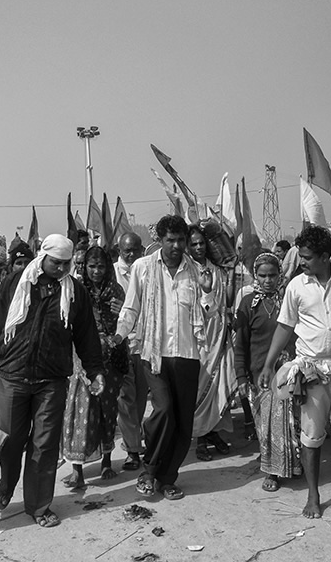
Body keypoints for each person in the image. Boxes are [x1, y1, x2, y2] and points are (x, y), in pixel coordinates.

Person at [0, 234, 104, 528]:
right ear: (43, 257)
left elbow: (86, 336)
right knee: (9, 440)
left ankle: (39, 505)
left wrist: (95, 371)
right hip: (12, 376)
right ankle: (6, 485)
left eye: (66, 264)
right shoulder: (16, 283)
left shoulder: (75, 293)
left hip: (52, 380)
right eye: (55, 263)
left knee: (44, 446)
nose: (60, 268)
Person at [259, 225, 331, 520]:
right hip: (311, 372)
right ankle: (314, 496)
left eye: (308, 257)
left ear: (326, 257)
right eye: (301, 256)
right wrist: (267, 364)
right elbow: (285, 326)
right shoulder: (297, 286)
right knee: (311, 436)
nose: (302, 262)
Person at [113, 215, 215, 501]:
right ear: (159, 240)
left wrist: (207, 293)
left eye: (181, 240)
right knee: (164, 410)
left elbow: (208, 313)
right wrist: (120, 336)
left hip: (187, 356)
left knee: (183, 423)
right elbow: (130, 308)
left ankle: (168, 477)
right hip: (153, 354)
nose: (176, 245)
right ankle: (149, 470)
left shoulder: (197, 272)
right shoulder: (143, 268)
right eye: (170, 240)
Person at [61, 245, 128, 488]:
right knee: (80, 411)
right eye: (92, 266)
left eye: (101, 266)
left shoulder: (116, 290)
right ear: (84, 267)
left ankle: (107, 462)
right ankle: (77, 469)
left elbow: (124, 322)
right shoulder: (75, 290)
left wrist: (119, 315)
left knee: (107, 410)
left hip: (110, 358)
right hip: (83, 358)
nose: (96, 271)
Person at [233, 253, 299, 492]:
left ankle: (291, 465)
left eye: (272, 275)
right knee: (267, 426)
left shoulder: (289, 301)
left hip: (289, 371)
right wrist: (241, 376)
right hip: (260, 374)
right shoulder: (248, 304)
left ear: (280, 274)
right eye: (263, 276)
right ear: (255, 276)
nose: (268, 280)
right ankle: (272, 470)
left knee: (290, 423)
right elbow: (240, 343)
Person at [188, 224, 236, 461]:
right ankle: (200, 437)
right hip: (197, 337)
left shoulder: (216, 270)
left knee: (219, 385)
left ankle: (214, 432)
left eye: (201, 243)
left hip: (219, 333)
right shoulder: (186, 271)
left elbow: (225, 302)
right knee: (198, 387)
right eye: (193, 244)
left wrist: (229, 280)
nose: (198, 247)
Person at [114, 231, 148, 471]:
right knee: (125, 399)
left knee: (141, 399)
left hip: (145, 343)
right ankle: (132, 450)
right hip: (121, 343)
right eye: (127, 251)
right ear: (120, 251)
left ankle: (136, 441)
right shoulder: (112, 273)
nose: (132, 254)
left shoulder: (148, 270)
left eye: (136, 250)